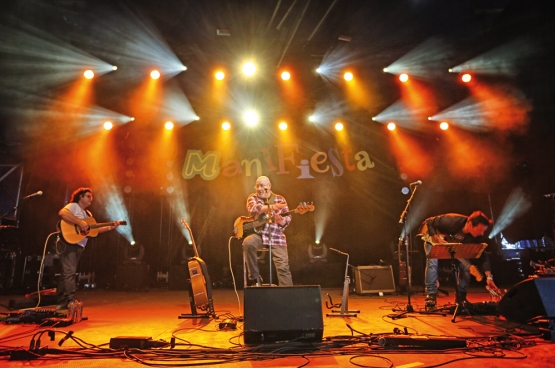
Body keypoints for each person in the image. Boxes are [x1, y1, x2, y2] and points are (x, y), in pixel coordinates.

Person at [418, 211, 498, 308]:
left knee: (466, 266)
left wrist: (489, 277)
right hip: (432, 238)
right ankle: (431, 295)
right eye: (480, 230)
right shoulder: (451, 221)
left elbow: (483, 255)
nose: (481, 233)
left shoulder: (476, 237)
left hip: (452, 245)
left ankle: (461, 298)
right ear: (470, 224)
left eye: (483, 231)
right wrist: (436, 237)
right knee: (432, 262)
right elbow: (429, 221)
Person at [56, 188, 119, 311]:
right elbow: (63, 213)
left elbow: (94, 230)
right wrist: (79, 222)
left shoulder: (88, 214)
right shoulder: (73, 206)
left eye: (91, 197)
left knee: (66, 273)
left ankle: (62, 301)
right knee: (70, 272)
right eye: (88, 196)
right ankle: (70, 300)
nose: (91, 199)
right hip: (68, 243)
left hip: (78, 245)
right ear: (80, 197)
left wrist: (111, 227)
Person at [242, 176, 293, 286]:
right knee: (248, 242)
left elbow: (287, 218)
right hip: (259, 235)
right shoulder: (252, 197)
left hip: (276, 237)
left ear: (269, 186)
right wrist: (273, 207)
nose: (259, 188)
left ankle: (288, 293)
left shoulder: (280, 199)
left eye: (262, 186)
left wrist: (282, 222)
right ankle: (255, 278)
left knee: (283, 267)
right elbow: (254, 208)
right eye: (257, 185)